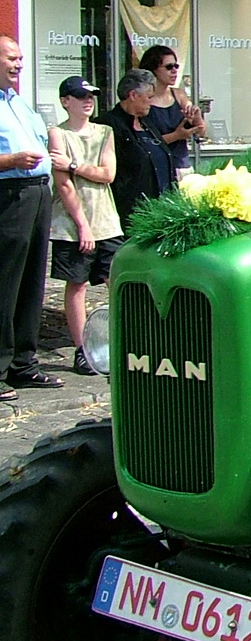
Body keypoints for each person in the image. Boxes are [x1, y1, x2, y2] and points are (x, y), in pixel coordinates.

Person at [0, 35, 63, 398]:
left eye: (21, 58)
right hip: (9, 196)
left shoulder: (20, 105)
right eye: (11, 58)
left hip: (38, 195)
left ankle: (24, 364)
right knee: (6, 284)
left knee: (31, 284)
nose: (19, 64)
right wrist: (10, 161)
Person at [48, 77, 122, 374]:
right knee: (76, 283)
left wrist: (75, 165)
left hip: (106, 218)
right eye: (80, 96)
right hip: (70, 224)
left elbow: (108, 174)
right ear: (66, 101)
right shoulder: (57, 134)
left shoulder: (105, 132)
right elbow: (64, 185)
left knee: (115, 280)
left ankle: (120, 340)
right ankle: (82, 349)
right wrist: (83, 226)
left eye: (90, 95)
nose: (88, 101)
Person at [99, 69, 175, 228]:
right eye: (149, 97)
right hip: (130, 215)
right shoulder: (108, 125)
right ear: (133, 95)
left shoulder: (147, 123)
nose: (152, 102)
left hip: (161, 211)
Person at [136, 45, 206, 176]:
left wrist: (196, 117)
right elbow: (144, 143)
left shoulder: (179, 95)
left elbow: (200, 132)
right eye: (169, 67)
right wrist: (176, 136)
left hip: (180, 165)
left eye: (176, 66)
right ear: (153, 70)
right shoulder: (144, 100)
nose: (174, 71)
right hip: (155, 168)